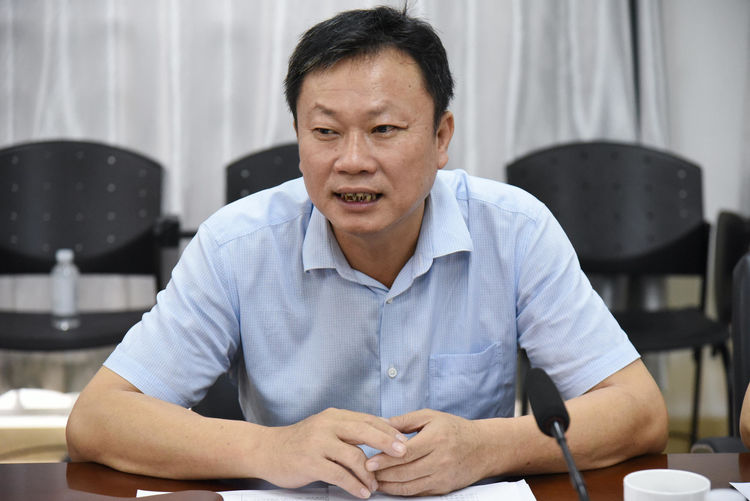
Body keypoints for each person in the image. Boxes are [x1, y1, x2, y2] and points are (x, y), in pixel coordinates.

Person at [66, 6, 668, 498]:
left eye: (383, 130)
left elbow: (639, 412)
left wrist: (488, 447)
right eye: (325, 132)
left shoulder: (515, 231)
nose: (352, 161)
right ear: (298, 139)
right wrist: (272, 448)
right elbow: (98, 420)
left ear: (440, 138)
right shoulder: (236, 245)